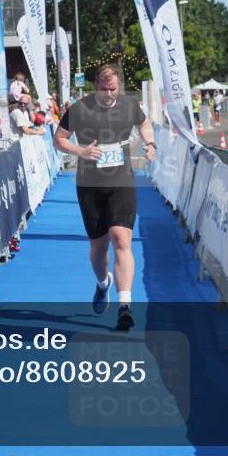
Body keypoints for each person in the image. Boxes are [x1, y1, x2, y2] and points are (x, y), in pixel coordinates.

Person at [53, 64, 156, 332]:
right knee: (98, 247)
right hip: (89, 184)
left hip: (121, 180)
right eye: (103, 88)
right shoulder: (79, 109)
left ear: (119, 86)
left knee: (122, 239)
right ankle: (102, 284)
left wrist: (150, 143)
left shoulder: (129, 106)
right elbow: (59, 139)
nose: (109, 94)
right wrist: (80, 151)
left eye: (113, 89)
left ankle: (125, 307)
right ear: (95, 85)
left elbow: (145, 124)